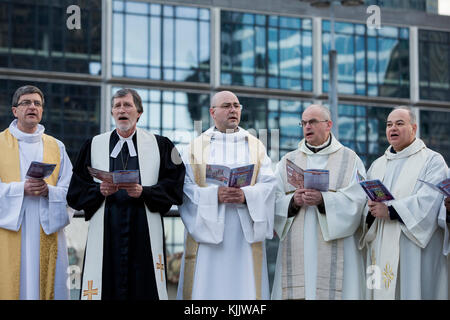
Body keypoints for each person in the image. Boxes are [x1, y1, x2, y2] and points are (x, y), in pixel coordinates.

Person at [66, 88, 185, 300]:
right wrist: (99, 190)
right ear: (112, 112)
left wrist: (145, 192)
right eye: (117, 105)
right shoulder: (93, 145)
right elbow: (75, 191)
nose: (122, 109)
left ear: (139, 112)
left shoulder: (161, 145)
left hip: (144, 233)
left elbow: (176, 185)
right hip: (106, 233)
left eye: (127, 105)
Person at [176, 90, 277, 300]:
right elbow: (184, 188)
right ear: (213, 112)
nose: (233, 109)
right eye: (226, 106)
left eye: (236, 105)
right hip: (208, 232)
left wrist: (247, 195)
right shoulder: (195, 147)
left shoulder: (255, 146)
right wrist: (215, 195)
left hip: (244, 234)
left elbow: (269, 184)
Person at [271, 104, 367, 300]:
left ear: (328, 124)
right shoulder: (288, 161)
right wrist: (293, 201)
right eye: (304, 123)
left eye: (313, 122)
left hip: (338, 246)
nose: (307, 127)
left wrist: (323, 200)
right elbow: (273, 200)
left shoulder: (350, 159)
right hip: (297, 248)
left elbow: (358, 201)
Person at [359, 106, 448, 300]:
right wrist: (370, 209)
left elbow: (429, 202)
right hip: (381, 245)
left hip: (413, 248)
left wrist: (390, 210)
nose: (393, 128)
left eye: (400, 124)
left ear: (414, 128)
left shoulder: (432, 160)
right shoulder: (378, 164)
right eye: (389, 124)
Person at [0, 85, 73, 299]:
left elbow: (71, 190)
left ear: (42, 111)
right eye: (26, 102)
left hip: (46, 226)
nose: (32, 107)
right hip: (10, 228)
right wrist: (21, 188)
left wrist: (48, 191)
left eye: (37, 103)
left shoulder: (56, 146)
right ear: (15, 110)